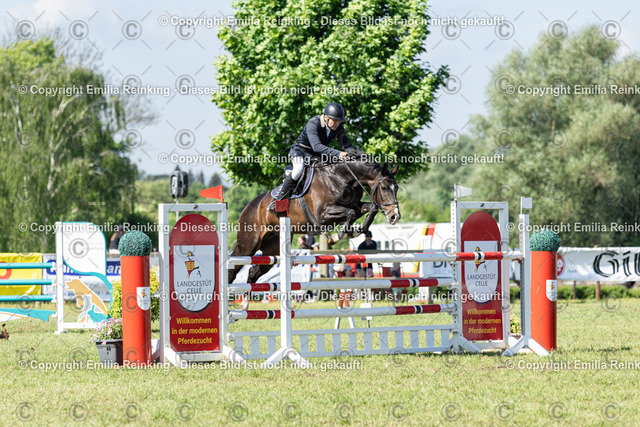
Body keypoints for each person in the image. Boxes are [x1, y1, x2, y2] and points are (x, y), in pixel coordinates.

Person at [269, 102, 353, 213]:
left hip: (315, 155)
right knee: (298, 169)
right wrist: (338, 154)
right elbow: (316, 146)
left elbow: (347, 145)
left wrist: (354, 155)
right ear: (326, 117)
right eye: (335, 120)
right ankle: (279, 200)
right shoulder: (313, 123)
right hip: (299, 152)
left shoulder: (338, 127)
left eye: (339, 121)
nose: (337, 123)